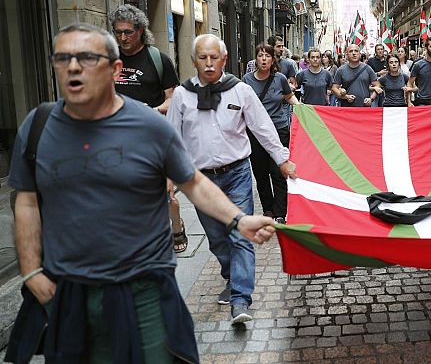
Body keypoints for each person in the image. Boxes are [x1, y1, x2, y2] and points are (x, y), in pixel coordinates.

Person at [5, 24, 277, 363]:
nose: (73, 67)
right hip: (68, 292)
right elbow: (27, 202)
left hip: (144, 288)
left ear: (115, 69)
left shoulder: (148, 126)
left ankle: (240, 294)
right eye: (63, 58)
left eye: (87, 58)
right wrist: (31, 272)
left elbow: (193, 181)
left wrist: (239, 219)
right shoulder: (37, 126)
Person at [167, 34, 297, 325]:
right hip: (199, 180)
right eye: (203, 57)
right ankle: (230, 273)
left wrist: (282, 159)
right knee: (216, 238)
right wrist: (168, 178)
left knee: (239, 235)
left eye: (215, 57)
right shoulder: (182, 95)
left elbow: (263, 127)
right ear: (194, 61)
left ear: (224, 60)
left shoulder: (240, 91)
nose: (209, 63)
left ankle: (240, 299)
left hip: (237, 173)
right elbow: (172, 138)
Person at [109, 4, 188, 253]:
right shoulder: (108, 60)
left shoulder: (157, 59)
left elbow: (171, 99)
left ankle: (176, 227)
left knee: (167, 194)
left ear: (140, 30)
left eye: (128, 32)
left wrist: (150, 110)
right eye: (118, 32)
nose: (123, 37)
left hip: (152, 137)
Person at [243, 43, 299, 225]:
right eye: (260, 55)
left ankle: (280, 211)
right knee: (260, 173)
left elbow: (290, 97)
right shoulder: (246, 80)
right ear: (256, 59)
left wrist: (304, 110)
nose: (264, 59)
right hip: (255, 133)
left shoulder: (280, 79)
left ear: (273, 59)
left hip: (279, 130)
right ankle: (268, 209)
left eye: (267, 56)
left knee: (278, 172)